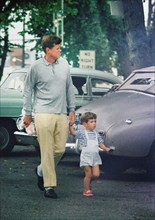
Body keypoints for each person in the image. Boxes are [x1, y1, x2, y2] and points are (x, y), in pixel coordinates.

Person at [23, 35, 75, 199]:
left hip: (61, 112)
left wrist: (72, 110)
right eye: (57, 48)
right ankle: (49, 186)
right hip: (42, 112)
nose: (60, 50)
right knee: (46, 150)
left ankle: (40, 170)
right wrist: (28, 113)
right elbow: (28, 90)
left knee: (59, 149)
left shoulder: (65, 64)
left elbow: (69, 88)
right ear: (48, 50)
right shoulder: (36, 67)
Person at [69, 112, 114, 196]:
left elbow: (101, 143)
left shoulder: (96, 134)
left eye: (95, 121)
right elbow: (73, 133)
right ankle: (86, 190)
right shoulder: (82, 133)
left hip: (95, 157)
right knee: (88, 174)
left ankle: (88, 182)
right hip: (86, 157)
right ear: (85, 124)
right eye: (91, 122)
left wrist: (105, 148)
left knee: (96, 175)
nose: (94, 124)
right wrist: (70, 126)